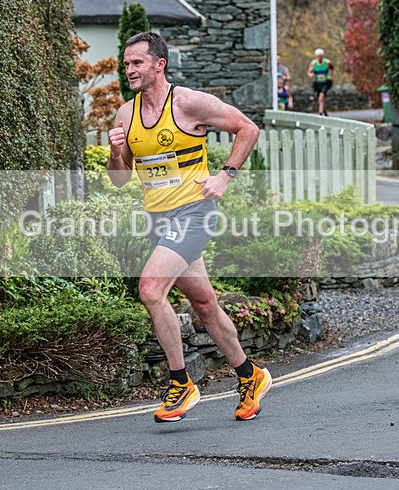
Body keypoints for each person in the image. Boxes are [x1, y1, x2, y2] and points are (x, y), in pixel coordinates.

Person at [106, 32, 272, 423]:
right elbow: (118, 179)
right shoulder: (124, 116)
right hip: (159, 221)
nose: (128, 69)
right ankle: (251, 375)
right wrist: (116, 151)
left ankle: (181, 383)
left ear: (159, 65)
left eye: (137, 63)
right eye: (126, 63)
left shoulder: (188, 103)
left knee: (150, 290)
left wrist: (226, 175)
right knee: (205, 304)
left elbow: (248, 128)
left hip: (193, 214)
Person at [308, 48, 333, 116]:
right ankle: (324, 111)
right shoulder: (313, 63)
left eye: (321, 56)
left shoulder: (327, 62)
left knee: (321, 97)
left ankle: (320, 114)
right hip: (317, 83)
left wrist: (330, 75)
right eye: (318, 56)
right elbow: (309, 72)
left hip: (325, 82)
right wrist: (311, 74)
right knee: (320, 98)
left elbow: (331, 69)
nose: (319, 58)